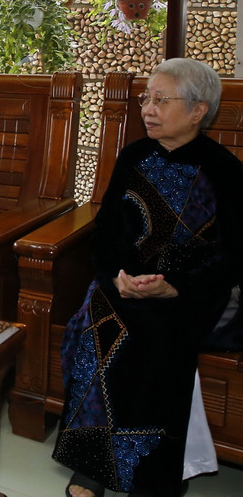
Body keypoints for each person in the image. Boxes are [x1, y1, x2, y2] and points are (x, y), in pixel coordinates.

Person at [55, 59, 243, 497]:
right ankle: (92, 463)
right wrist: (115, 277)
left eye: (161, 100)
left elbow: (234, 256)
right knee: (100, 321)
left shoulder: (225, 172)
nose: (148, 109)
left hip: (194, 289)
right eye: (146, 98)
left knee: (158, 331)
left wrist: (176, 287)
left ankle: (154, 473)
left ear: (199, 111)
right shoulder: (133, 156)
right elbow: (106, 233)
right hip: (125, 279)